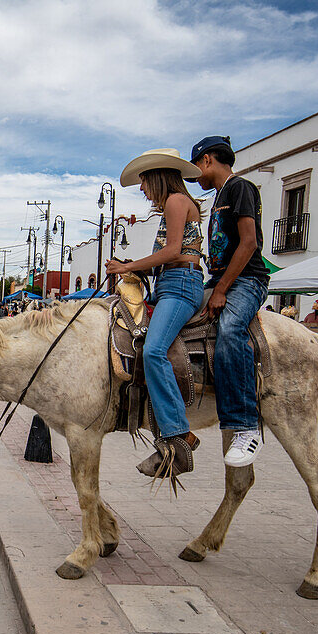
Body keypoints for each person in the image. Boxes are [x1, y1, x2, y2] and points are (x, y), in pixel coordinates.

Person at [106, 148, 206, 477]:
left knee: (153, 351)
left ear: (159, 176)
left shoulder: (177, 201)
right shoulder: (173, 207)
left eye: (145, 181)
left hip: (180, 286)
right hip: (170, 284)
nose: (142, 189)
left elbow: (174, 251)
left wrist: (127, 265)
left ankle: (178, 435)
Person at [191, 135, 269, 467]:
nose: (195, 175)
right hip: (222, 279)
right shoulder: (221, 196)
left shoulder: (241, 188)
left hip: (247, 280)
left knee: (230, 332)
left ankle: (245, 426)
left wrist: (222, 289)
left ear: (207, 159)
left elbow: (248, 242)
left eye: (196, 166)